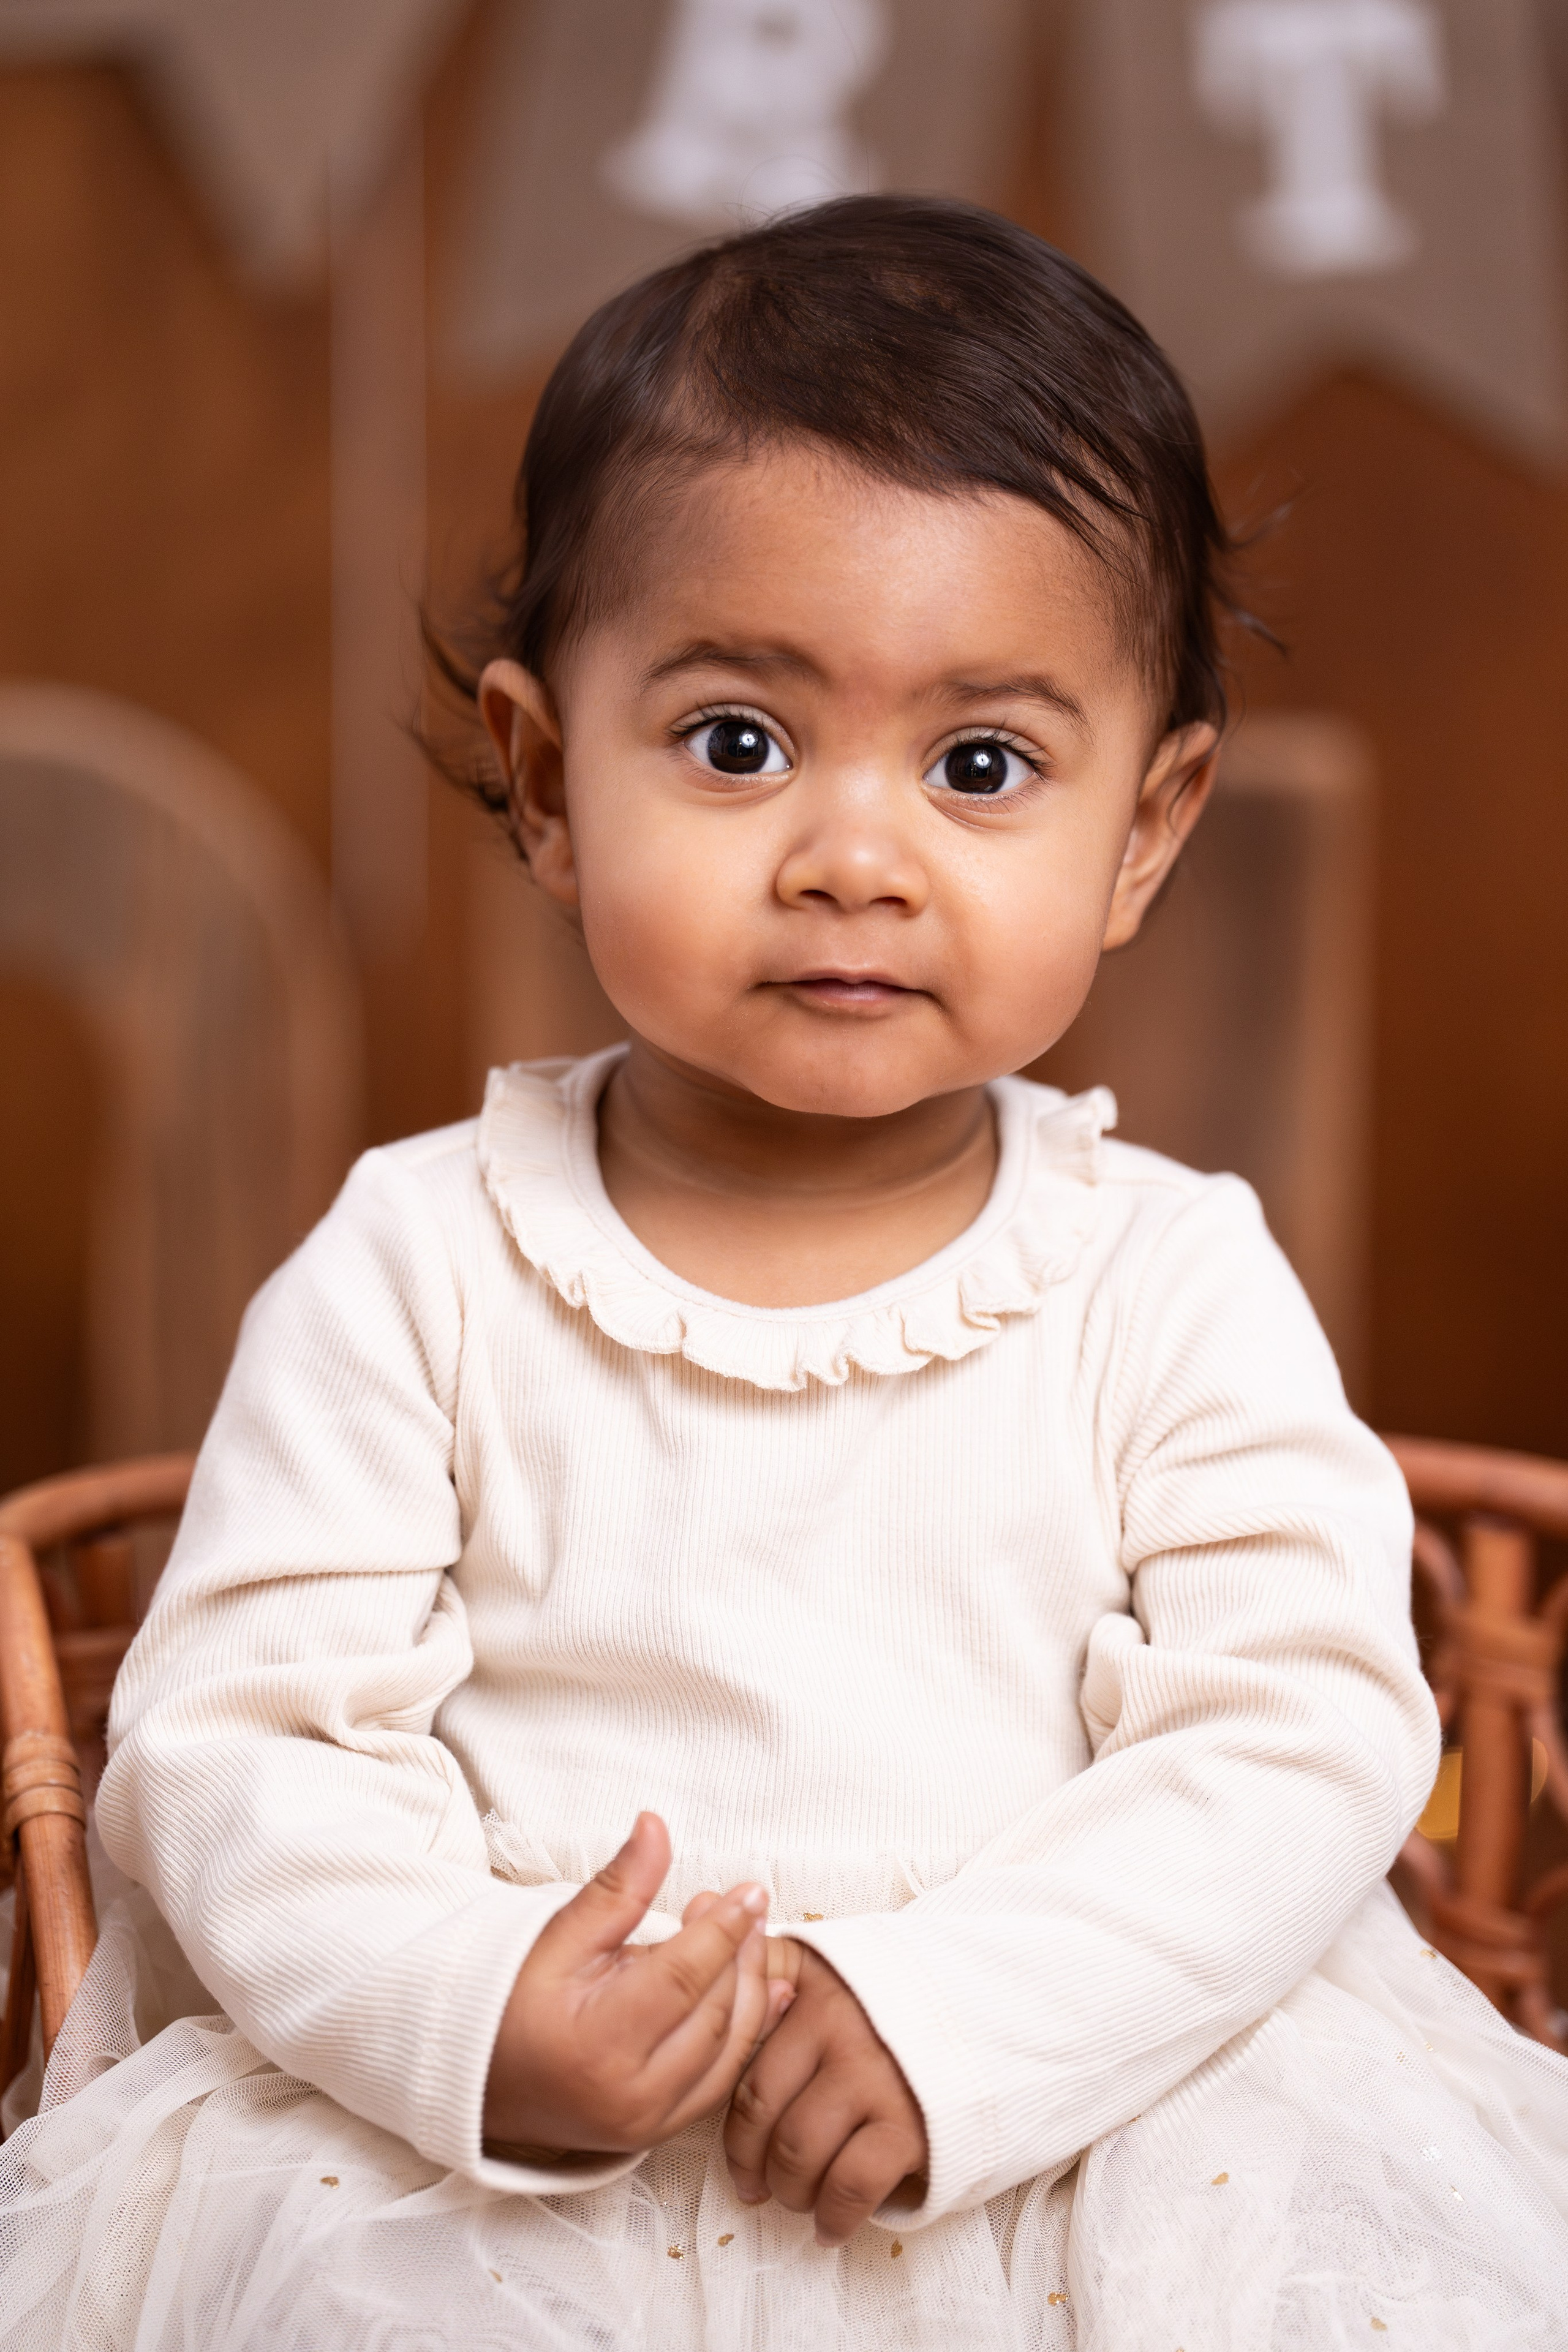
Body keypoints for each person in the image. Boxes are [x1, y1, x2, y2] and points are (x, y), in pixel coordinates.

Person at [2, 195, 1565, 2352]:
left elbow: (1301, 1729)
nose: (853, 854)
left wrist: (967, 2018)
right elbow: (232, 1740)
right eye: (738, 742)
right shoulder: (420, 1260)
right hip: (528, 2177)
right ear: (549, 781)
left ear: (1147, 829)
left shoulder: (1168, 1281)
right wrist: (475, 2011)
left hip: (1077, 2119)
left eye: (982, 766)